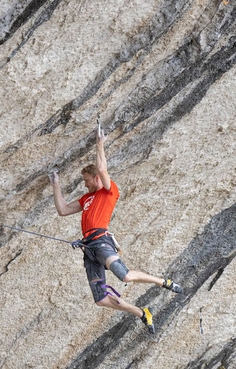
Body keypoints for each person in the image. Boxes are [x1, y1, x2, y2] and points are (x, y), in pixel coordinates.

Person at [48, 126, 182, 334]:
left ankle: (163, 282)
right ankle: (142, 313)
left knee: (125, 276)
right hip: (89, 249)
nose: (84, 185)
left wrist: (99, 144)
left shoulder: (109, 191)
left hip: (101, 242)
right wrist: (55, 185)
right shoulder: (86, 199)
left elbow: (102, 169)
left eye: (86, 181)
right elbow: (63, 210)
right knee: (101, 300)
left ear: (96, 179)